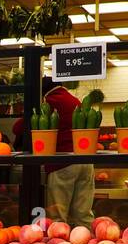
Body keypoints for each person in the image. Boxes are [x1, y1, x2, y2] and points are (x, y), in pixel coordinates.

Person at [15, 77, 95, 229]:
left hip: (62, 163)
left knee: (58, 216)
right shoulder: (75, 100)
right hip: (85, 161)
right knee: (83, 215)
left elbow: (18, 128)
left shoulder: (49, 102)